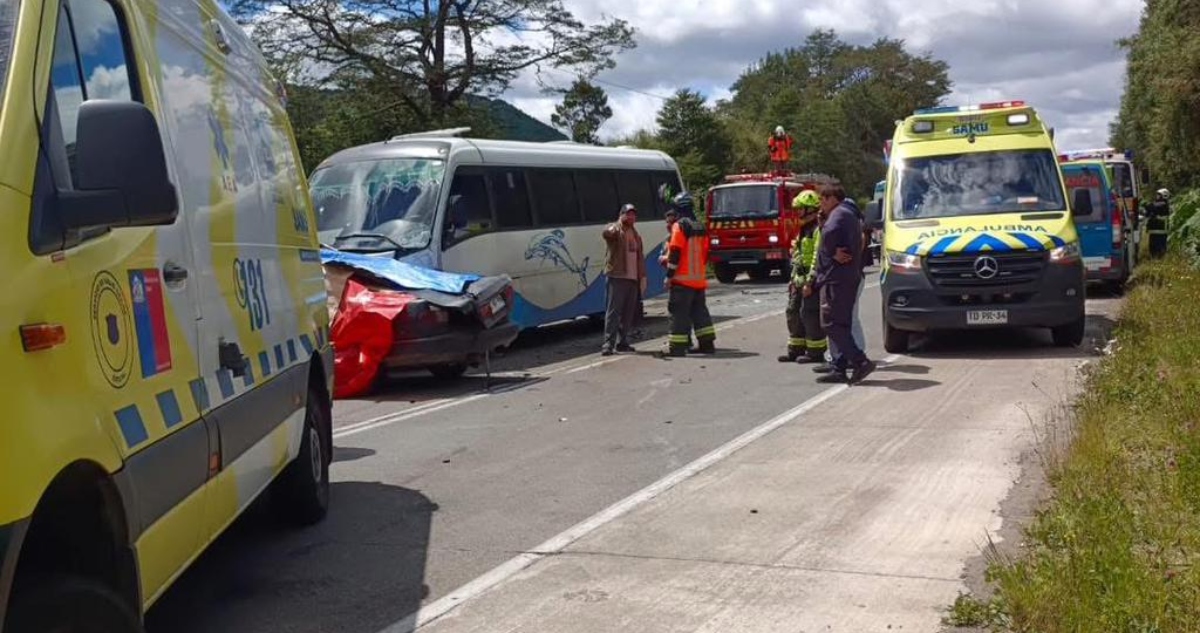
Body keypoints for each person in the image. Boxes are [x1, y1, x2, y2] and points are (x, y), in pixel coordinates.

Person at [812, 183, 876, 385]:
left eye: (823, 199)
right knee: (842, 323)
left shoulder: (838, 217)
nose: (820, 203)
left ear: (833, 198)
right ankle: (839, 367)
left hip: (836, 280)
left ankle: (860, 360)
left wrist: (831, 253)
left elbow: (832, 241)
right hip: (846, 277)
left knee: (830, 323)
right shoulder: (847, 214)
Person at [664, 195, 716, 357]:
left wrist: (669, 275)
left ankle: (677, 348)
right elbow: (706, 253)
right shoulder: (700, 226)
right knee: (700, 313)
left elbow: (675, 252)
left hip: (682, 281)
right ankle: (707, 345)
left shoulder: (679, 226)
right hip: (699, 280)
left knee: (678, 314)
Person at [778, 189, 827, 363]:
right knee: (793, 311)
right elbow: (797, 257)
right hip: (798, 279)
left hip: (810, 281)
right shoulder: (802, 230)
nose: (798, 213)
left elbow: (817, 257)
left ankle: (815, 351)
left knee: (809, 313)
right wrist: (793, 280)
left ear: (810, 209)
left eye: (801, 209)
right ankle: (796, 349)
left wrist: (810, 282)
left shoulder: (817, 231)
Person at [601, 204, 647, 356]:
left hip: (633, 279)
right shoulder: (616, 230)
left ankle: (623, 342)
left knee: (628, 313)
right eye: (628, 214)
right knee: (613, 311)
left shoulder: (636, 235)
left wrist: (643, 277)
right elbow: (607, 233)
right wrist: (612, 227)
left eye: (633, 214)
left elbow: (640, 258)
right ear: (621, 215)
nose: (631, 217)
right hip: (617, 276)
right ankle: (608, 343)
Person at [1146, 188, 1171, 258]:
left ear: (1164, 195)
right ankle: (1154, 256)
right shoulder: (1159, 204)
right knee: (1153, 245)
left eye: (1158, 195)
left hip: (1160, 229)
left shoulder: (1163, 204)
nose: (1157, 196)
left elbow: (1150, 206)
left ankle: (1159, 256)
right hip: (1155, 230)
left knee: (1159, 245)